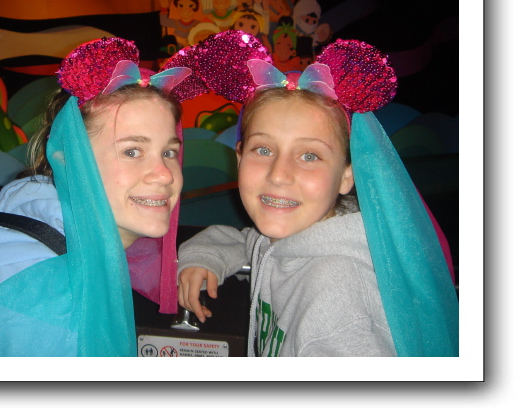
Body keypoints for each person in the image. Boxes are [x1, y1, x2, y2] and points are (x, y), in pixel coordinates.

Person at [0, 37, 204, 356]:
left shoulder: (36, 214)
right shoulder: (53, 292)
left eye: (169, 152)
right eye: (132, 151)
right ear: (68, 157)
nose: (164, 174)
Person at [177, 32, 458, 357]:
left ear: (347, 175)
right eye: (264, 150)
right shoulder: (300, 234)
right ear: (239, 157)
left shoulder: (337, 295)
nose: (279, 174)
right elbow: (247, 241)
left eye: (309, 155)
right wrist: (205, 258)